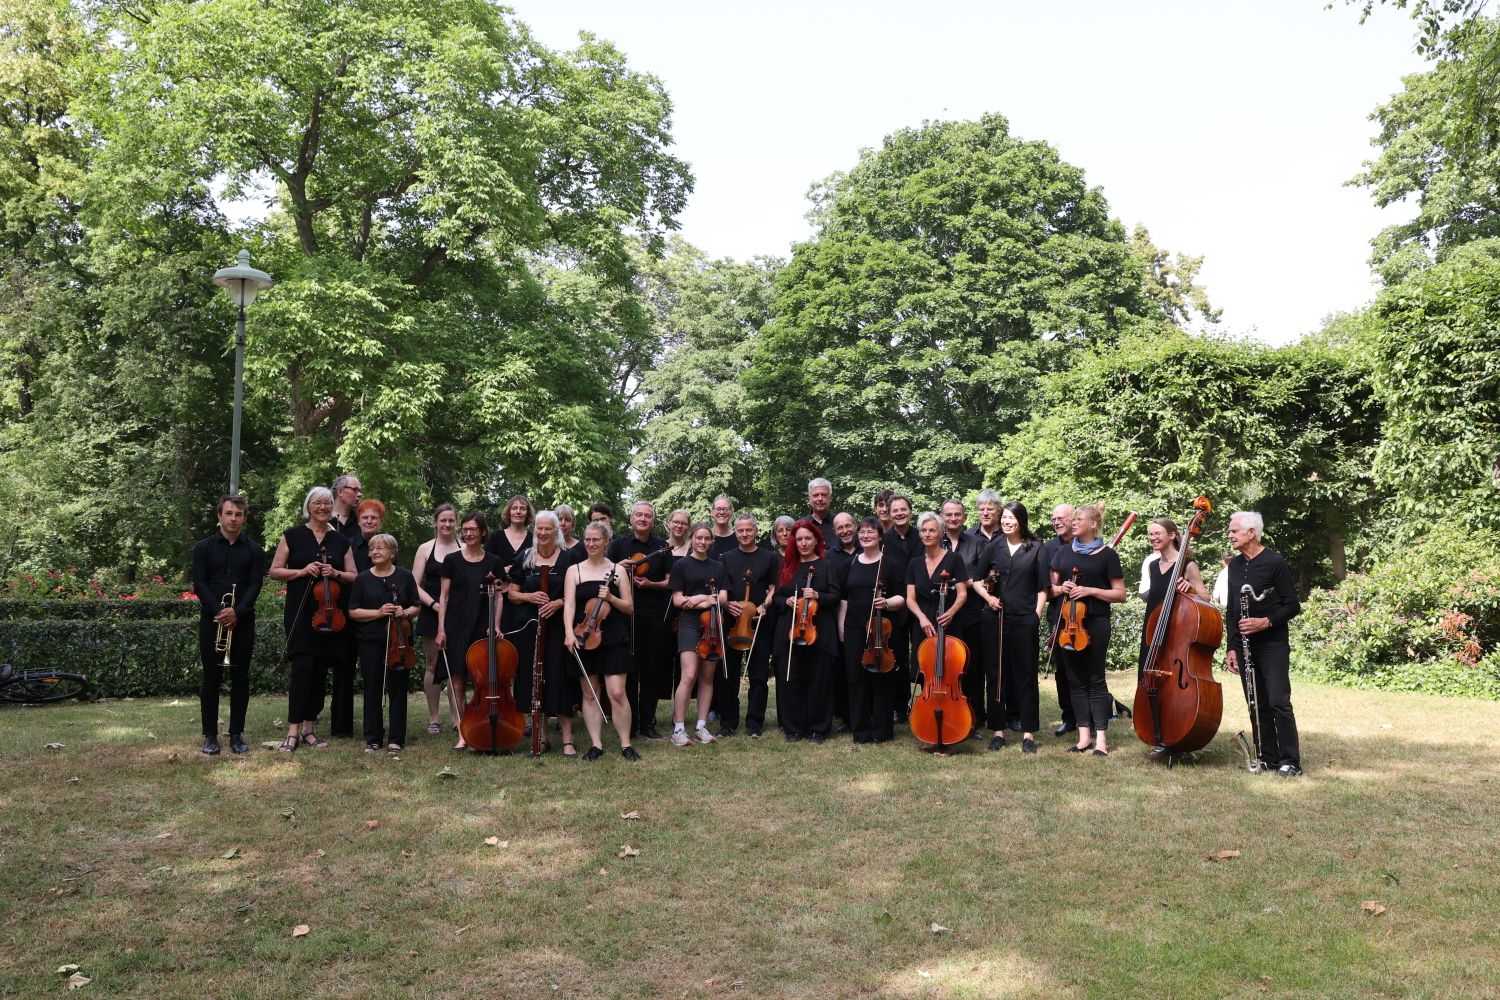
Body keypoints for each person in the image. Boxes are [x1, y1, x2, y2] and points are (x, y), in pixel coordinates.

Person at [268, 486, 357, 752]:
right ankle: (293, 730)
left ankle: (309, 729)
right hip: (300, 612)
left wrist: (337, 573)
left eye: (327, 503)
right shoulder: (292, 536)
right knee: (303, 670)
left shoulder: (342, 541)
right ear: (309, 506)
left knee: (319, 673)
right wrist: (302, 571)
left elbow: (355, 575)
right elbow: (274, 572)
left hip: (331, 614)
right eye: (317, 503)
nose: (323, 507)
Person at [1223, 511, 1303, 777]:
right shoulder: (1234, 565)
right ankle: (1267, 756)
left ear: (1251, 533)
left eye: (1234, 531)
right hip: (1245, 645)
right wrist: (1232, 647)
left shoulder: (1274, 561)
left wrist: (1265, 621)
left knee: (1279, 700)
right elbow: (1232, 610)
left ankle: (1291, 761)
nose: (1230, 535)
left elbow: (1293, 605)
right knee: (1256, 702)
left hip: (1273, 643)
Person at [1049, 504, 1126, 756]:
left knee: (1095, 679)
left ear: (1093, 524)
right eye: (1073, 519)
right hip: (1068, 624)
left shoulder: (1107, 555)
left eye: (1079, 519)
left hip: (1096, 623)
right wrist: (1062, 589)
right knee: (1075, 681)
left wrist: (1090, 590)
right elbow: (1049, 588)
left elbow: (1120, 594)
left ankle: (1101, 740)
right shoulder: (1061, 553)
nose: (1073, 522)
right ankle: (1083, 739)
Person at [971, 502, 1048, 753]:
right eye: (1004, 517)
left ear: (1021, 520)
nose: (1006, 521)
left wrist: (1035, 615)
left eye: (1011, 518)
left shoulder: (1036, 548)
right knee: (995, 676)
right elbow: (975, 581)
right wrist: (988, 598)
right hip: (995, 620)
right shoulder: (993, 546)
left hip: (1024, 619)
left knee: (1025, 676)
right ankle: (998, 731)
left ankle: (1028, 733)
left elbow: (1042, 587)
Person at [190, 495, 264, 756]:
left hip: (242, 621)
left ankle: (236, 734)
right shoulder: (203, 548)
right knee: (211, 677)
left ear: (244, 518)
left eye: (239, 514)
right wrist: (220, 610)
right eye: (229, 513)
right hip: (213, 620)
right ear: (219, 516)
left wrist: (238, 611)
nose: (233, 518)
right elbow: (199, 583)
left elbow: (256, 583)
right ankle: (209, 735)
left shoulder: (255, 550)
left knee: (240, 677)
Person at [563, 521, 640, 761]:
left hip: (614, 635)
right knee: (589, 692)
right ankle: (596, 744)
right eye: (587, 539)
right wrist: (568, 632)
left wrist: (611, 599)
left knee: (617, 692)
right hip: (584, 634)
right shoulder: (574, 570)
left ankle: (626, 744)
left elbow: (629, 607)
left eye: (596, 539)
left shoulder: (618, 570)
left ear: (606, 542)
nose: (591, 543)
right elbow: (570, 605)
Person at [507, 510, 579, 756]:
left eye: (548, 528)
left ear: (557, 531)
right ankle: (543, 737)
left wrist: (558, 602)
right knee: (533, 680)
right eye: (539, 528)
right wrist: (529, 596)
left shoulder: (569, 559)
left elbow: (576, 593)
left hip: (558, 627)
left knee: (558, 677)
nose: (543, 532)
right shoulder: (525, 558)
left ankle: (568, 739)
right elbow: (511, 593)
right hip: (529, 627)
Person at [436, 512, 505, 752]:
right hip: (455, 625)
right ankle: (463, 731)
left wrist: (495, 624)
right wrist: (441, 628)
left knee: (481, 681)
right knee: (456, 681)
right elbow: (443, 597)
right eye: (464, 529)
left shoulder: (494, 561)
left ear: (483, 532)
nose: (468, 533)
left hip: (481, 625)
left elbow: (498, 596)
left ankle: (480, 728)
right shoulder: (452, 560)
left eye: (473, 529)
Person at [348, 533, 420, 754]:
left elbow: (416, 605)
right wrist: (378, 612)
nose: (375, 552)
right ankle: (373, 738)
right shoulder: (362, 578)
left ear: (393, 553)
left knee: (398, 688)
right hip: (370, 640)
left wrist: (404, 611)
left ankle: (396, 739)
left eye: (380, 548)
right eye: (372, 549)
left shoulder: (405, 576)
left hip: (399, 641)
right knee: (372, 688)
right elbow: (353, 612)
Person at [906, 511, 972, 752]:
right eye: (923, 530)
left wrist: (951, 611)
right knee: (928, 676)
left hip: (948, 622)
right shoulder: (914, 562)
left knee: (951, 673)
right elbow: (910, 598)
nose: (927, 534)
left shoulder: (954, 560)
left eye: (932, 530)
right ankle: (930, 730)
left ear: (941, 533)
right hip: (923, 624)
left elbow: (963, 593)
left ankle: (956, 728)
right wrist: (922, 618)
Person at [838, 516, 907, 743]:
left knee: (881, 677)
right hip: (854, 627)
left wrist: (886, 603)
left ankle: (881, 731)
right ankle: (860, 730)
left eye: (870, 532)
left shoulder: (890, 564)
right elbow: (844, 599)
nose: (865, 536)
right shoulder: (851, 563)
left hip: (881, 627)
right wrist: (841, 626)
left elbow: (902, 597)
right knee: (855, 677)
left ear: (879, 536)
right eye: (862, 532)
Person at [771, 519, 840, 743]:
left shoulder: (826, 566)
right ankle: (794, 728)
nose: (803, 543)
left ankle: (818, 728)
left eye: (808, 538)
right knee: (791, 678)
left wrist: (819, 595)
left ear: (816, 540)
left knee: (819, 679)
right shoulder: (786, 567)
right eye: (799, 539)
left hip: (819, 630)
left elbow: (835, 597)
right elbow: (777, 597)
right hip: (789, 630)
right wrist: (787, 600)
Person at [607, 502, 671, 741]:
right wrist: (618, 568)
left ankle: (648, 723)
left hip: (654, 616)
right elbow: (606, 574)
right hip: (626, 616)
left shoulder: (661, 547)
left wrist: (651, 584)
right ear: (631, 519)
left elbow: (669, 581)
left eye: (647, 516)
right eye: (639, 515)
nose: (643, 519)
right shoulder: (618, 546)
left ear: (652, 521)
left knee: (651, 670)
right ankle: (630, 724)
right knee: (630, 671)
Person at [715, 513, 780, 738]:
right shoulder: (725, 558)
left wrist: (765, 606)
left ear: (756, 531)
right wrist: (727, 604)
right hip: (733, 623)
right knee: (728, 674)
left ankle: (755, 723)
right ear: (736, 532)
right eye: (740, 530)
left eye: (748, 530)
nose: (744, 534)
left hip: (759, 623)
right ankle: (728, 722)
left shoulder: (770, 558)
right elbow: (721, 591)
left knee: (759, 675)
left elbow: (773, 588)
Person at [332, 497, 387, 739]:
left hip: (377, 618)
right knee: (343, 669)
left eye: (374, 517)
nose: (369, 521)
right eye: (365, 517)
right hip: (348, 613)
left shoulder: (387, 546)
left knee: (375, 675)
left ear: (380, 521)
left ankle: (373, 728)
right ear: (359, 520)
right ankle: (341, 727)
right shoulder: (347, 544)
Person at [668, 522, 725, 746]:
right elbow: (678, 600)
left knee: (707, 676)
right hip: (689, 623)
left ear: (711, 541)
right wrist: (705, 599)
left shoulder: (718, 566)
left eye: (706, 538)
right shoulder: (681, 565)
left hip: (712, 624)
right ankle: (679, 729)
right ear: (691, 538)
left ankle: (701, 726)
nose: (702, 542)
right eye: (698, 537)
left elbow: (722, 598)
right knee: (689, 675)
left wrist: (700, 599)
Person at [1138, 516, 1209, 679]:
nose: (1153, 538)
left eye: (1157, 533)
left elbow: (1206, 598)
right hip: (1152, 629)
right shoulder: (1152, 566)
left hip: (1177, 631)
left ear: (1172, 535)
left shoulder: (1188, 565)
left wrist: (1191, 589)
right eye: (1150, 534)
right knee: (1147, 677)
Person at [412, 504, 460, 735]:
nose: (447, 524)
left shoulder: (464, 548)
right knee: (433, 664)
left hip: (458, 614)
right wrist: (434, 604)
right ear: (435, 522)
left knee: (456, 666)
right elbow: (414, 584)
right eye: (443, 520)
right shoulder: (424, 549)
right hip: (431, 612)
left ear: (456, 523)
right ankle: (433, 719)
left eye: (451, 520)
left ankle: (455, 717)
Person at [941, 499, 987, 733]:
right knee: (947, 668)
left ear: (965, 517)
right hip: (943, 613)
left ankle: (976, 718)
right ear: (942, 517)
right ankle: (950, 713)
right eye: (948, 515)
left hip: (971, 613)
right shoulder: (935, 541)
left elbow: (982, 576)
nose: (953, 518)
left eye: (957, 514)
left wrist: (962, 582)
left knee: (972, 667)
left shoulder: (977, 543)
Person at [883, 494, 921, 718]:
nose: (899, 513)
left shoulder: (922, 535)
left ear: (910, 511)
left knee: (920, 657)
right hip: (895, 606)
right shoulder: (884, 539)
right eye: (895, 510)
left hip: (919, 606)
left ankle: (925, 702)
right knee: (896, 657)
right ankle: (899, 706)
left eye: (903, 509)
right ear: (889, 513)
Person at [1042, 504, 1078, 736]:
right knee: (1062, 669)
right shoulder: (1049, 548)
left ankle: (1092, 715)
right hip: (1058, 613)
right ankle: (1069, 717)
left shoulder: (1086, 542)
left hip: (1084, 614)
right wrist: (1060, 588)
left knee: (1084, 667)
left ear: (1073, 518)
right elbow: (1045, 587)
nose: (1056, 522)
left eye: (1060, 518)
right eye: (1053, 519)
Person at [807, 478, 839, 550]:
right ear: (809, 499)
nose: (820, 499)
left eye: (824, 495)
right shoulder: (801, 525)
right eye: (815, 495)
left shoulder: (840, 524)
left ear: (830, 498)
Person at [329, 474, 363, 538]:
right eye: (354, 490)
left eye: (360, 491)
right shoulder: (323, 520)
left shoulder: (361, 522)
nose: (360, 494)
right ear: (340, 491)